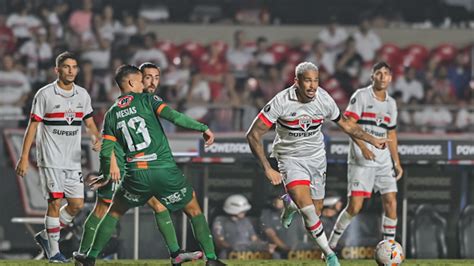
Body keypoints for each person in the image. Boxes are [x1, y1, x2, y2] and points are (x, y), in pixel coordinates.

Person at [74, 65, 225, 266]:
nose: (146, 83)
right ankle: (212, 259)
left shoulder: (110, 114)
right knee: (194, 209)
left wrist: (104, 174)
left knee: (114, 212)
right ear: (131, 82)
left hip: (135, 174)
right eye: (142, 79)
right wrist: (203, 128)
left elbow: (105, 148)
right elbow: (175, 117)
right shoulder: (147, 99)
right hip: (162, 170)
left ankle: (90, 258)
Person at [246, 62, 389, 266]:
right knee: (309, 212)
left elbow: (347, 124)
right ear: (296, 82)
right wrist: (267, 168)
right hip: (290, 158)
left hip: (316, 158)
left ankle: (290, 204)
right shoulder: (281, 102)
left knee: (317, 210)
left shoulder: (323, 99)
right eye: (307, 80)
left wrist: (372, 140)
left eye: (316, 80)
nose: (313, 86)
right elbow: (253, 135)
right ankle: (330, 255)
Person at [15, 51, 101, 262]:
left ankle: (46, 237)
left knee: (77, 205)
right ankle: (54, 252)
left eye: (74, 67)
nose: (71, 71)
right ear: (57, 70)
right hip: (51, 158)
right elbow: (32, 126)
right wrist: (24, 157)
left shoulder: (82, 94)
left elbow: (89, 121)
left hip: (73, 160)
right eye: (66, 67)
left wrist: (96, 137)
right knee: (54, 202)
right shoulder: (45, 94)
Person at [327, 62, 403, 250]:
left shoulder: (391, 104)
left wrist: (396, 162)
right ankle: (330, 245)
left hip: (384, 160)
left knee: (391, 202)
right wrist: (363, 147)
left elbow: (391, 134)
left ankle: (389, 248)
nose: (383, 77)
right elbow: (348, 125)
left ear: (390, 78)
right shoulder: (361, 96)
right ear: (372, 76)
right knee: (354, 207)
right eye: (379, 73)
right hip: (361, 160)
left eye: (386, 73)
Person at [212, 194, 271, 259]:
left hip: (248, 254)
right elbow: (219, 241)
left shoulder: (246, 221)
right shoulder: (220, 221)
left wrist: (264, 246)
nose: (244, 212)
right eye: (242, 211)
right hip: (229, 253)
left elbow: (254, 239)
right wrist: (232, 247)